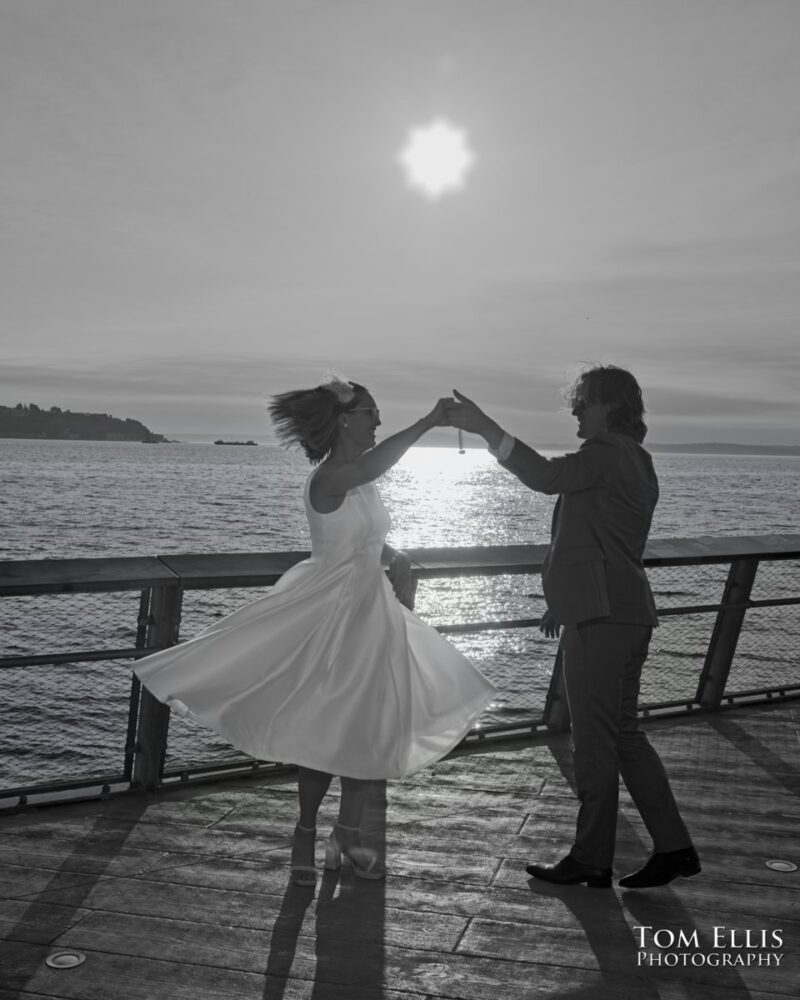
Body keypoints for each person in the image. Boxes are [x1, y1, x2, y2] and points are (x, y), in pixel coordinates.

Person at [135, 376, 495, 887]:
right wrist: (429, 422)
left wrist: (395, 556)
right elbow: (364, 481)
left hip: (373, 613)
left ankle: (345, 836)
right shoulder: (330, 478)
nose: (377, 421)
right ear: (346, 419)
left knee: (367, 730)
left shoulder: (361, 481)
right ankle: (305, 832)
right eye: (371, 412)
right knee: (326, 732)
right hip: (332, 614)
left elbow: (365, 534)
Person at [445, 365, 700, 889]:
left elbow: (546, 477)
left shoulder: (605, 454)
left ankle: (591, 858)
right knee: (625, 735)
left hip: (602, 620)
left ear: (609, 404)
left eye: (583, 401)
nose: (575, 411)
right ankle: (674, 847)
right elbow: (602, 541)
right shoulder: (638, 460)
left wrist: (484, 426)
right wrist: (562, 601)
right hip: (624, 612)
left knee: (595, 744)